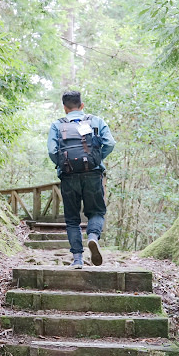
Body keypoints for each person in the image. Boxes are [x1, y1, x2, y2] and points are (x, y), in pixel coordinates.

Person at [47, 90, 115, 268]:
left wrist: (64, 164)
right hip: (92, 173)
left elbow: (52, 151)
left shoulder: (57, 125)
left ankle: (77, 259)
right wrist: (96, 159)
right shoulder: (95, 121)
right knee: (97, 212)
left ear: (64, 108)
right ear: (82, 105)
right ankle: (92, 237)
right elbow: (110, 143)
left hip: (69, 176)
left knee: (71, 219)